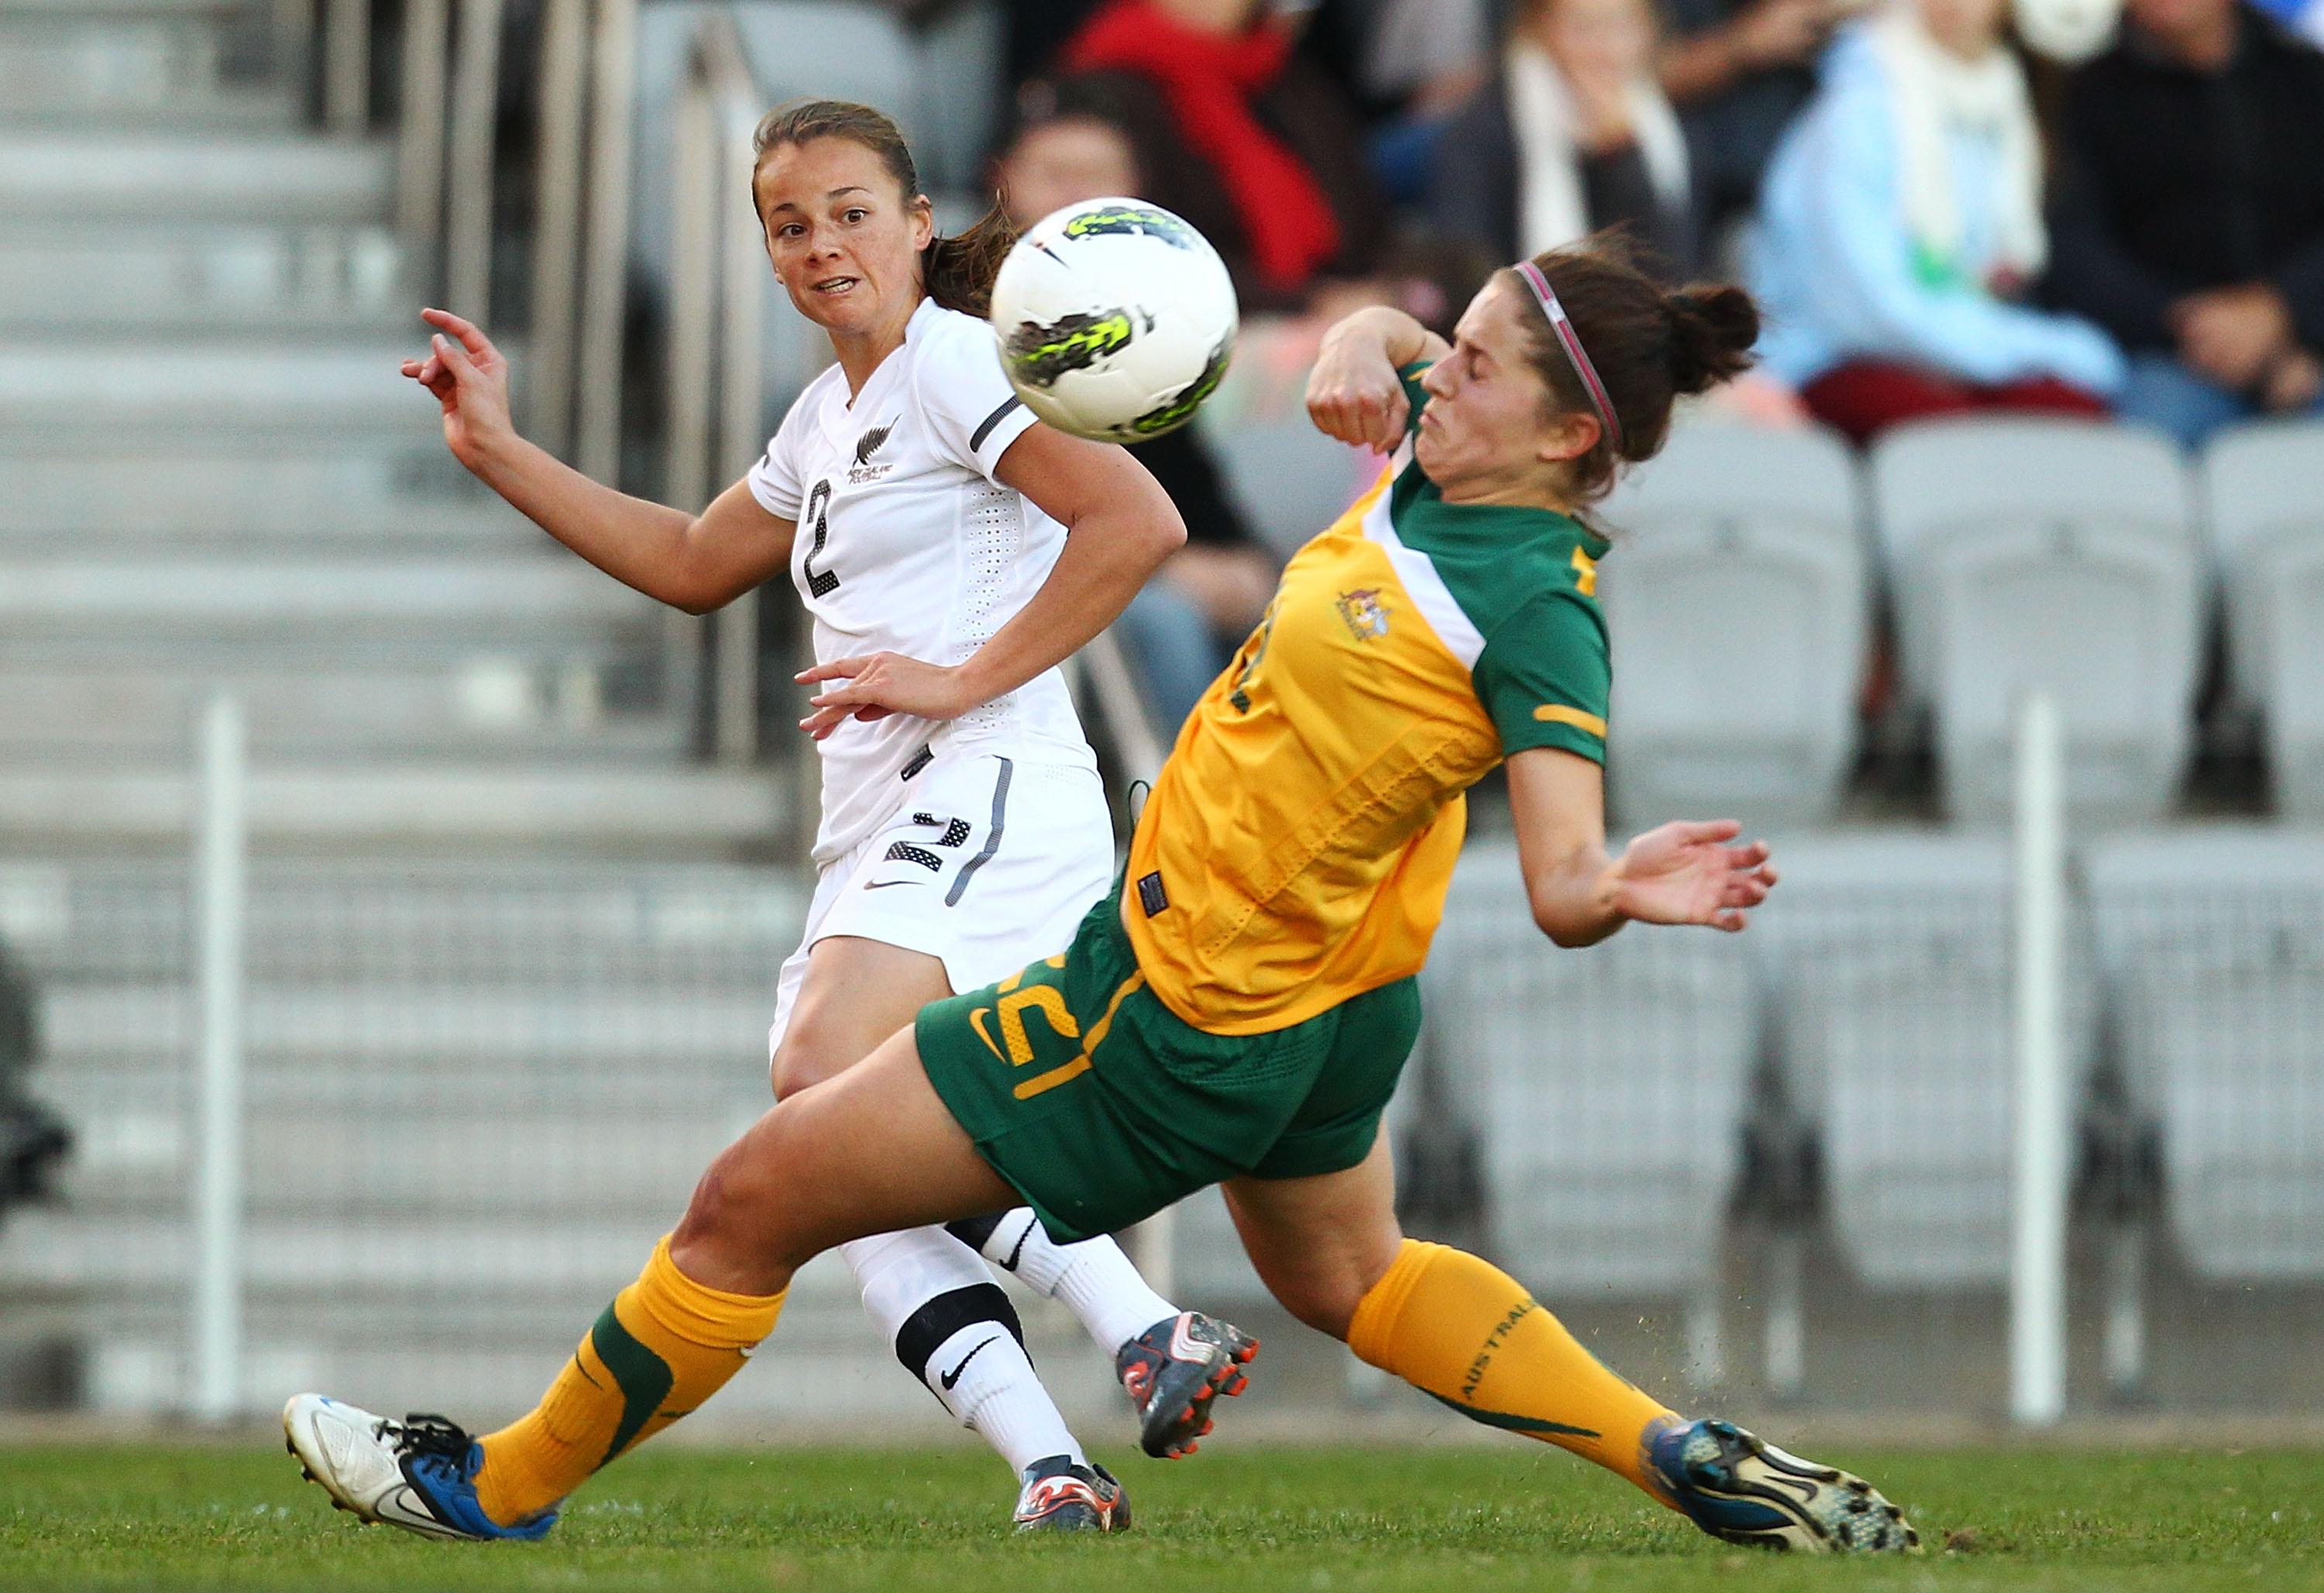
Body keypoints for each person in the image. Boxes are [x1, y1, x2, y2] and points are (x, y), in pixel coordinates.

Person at [284, 237, 1918, 1556]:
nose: (1443, 375)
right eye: (1461, 337)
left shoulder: (1540, 608)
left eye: (1477, 366)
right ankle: (1682, 1452)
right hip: (1331, 1011)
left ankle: (495, 1486)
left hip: (1175, 1009)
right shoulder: (1458, 460)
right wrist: (1361, 327)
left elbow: (1560, 881)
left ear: (1573, 439)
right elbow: (1390, 345)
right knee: (1351, 1278)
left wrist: (1623, 879)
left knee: (745, 1203)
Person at [342, 98, 1257, 1533]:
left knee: (830, 1069)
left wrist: (961, 678)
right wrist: (500, 454)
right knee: (830, 1143)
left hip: (991, 779)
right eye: (789, 224)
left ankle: (1142, 1318)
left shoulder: (958, 358)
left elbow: (1136, 520)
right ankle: (1054, 1463)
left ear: (917, 226)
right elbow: (701, 558)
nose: (821, 243)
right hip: (883, 814)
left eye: (847, 212)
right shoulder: (830, 411)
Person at [992, 74, 1280, 728]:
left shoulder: (1146, 329)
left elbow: (1203, 504)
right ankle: (1182, 816)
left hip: (1142, 560)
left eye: (1099, 175)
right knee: (1165, 617)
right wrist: (1164, 566)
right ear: (1003, 183)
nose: (1077, 197)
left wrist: (1237, 566)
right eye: (1056, 174)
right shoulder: (966, 320)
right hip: (1015, 579)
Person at [1748, 0, 2126, 442]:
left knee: (2066, 409)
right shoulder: (1854, 111)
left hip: (1958, 349)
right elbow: (1863, 304)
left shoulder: (2004, 109)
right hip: (1840, 354)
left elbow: (1992, 277)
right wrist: (2032, 347)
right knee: (1950, 438)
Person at [2044, 0, 2324, 447]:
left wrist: (2286, 315)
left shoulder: (2303, 73)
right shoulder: (2092, 91)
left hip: (2304, 349)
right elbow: (2073, 253)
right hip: (2171, 357)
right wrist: (2197, 327)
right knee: (2139, 463)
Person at [1061, 0, 1391, 311]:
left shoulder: (1291, 82)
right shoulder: (1104, 90)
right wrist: (1306, 303)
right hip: (1185, 322)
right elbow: (1132, 249)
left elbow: (1365, 219)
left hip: (1334, 308)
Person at [1430, 0, 1703, 277]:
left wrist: (1620, 157)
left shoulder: (1664, 129)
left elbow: (1673, 273)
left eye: (1622, 26)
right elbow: (1464, 261)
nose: (1605, 49)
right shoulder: (1485, 130)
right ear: (1537, 31)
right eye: (1583, 29)